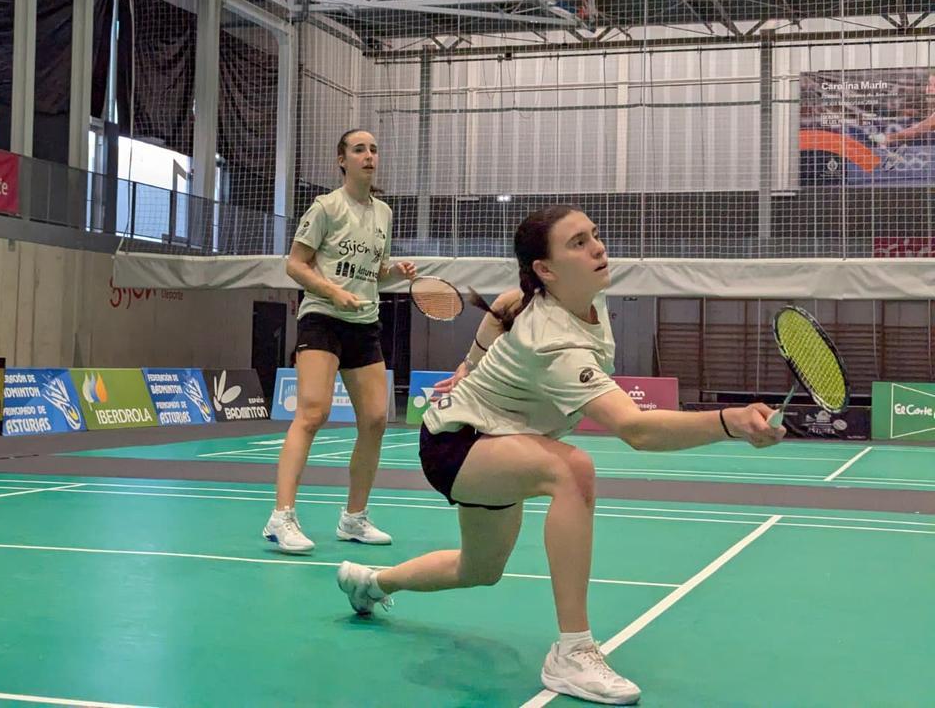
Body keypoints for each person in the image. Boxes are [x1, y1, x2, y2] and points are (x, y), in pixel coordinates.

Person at [335, 205, 784, 705]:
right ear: (545, 270)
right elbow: (635, 429)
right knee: (571, 469)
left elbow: (506, 303)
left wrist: (469, 366)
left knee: (478, 570)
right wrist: (728, 422)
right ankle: (573, 652)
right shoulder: (552, 342)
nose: (598, 247)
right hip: (457, 444)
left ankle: (370, 583)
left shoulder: (576, 295)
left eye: (594, 235)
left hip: (500, 440)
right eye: (578, 243)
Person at [263, 129, 417, 554]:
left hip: (364, 322)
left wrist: (394, 273)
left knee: (375, 420)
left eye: (374, 149)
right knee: (313, 413)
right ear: (342, 160)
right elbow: (295, 264)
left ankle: (354, 518)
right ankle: (281, 517)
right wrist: (333, 292)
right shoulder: (326, 207)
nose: (369, 156)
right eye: (359, 149)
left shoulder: (384, 213)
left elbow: (374, 272)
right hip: (323, 318)